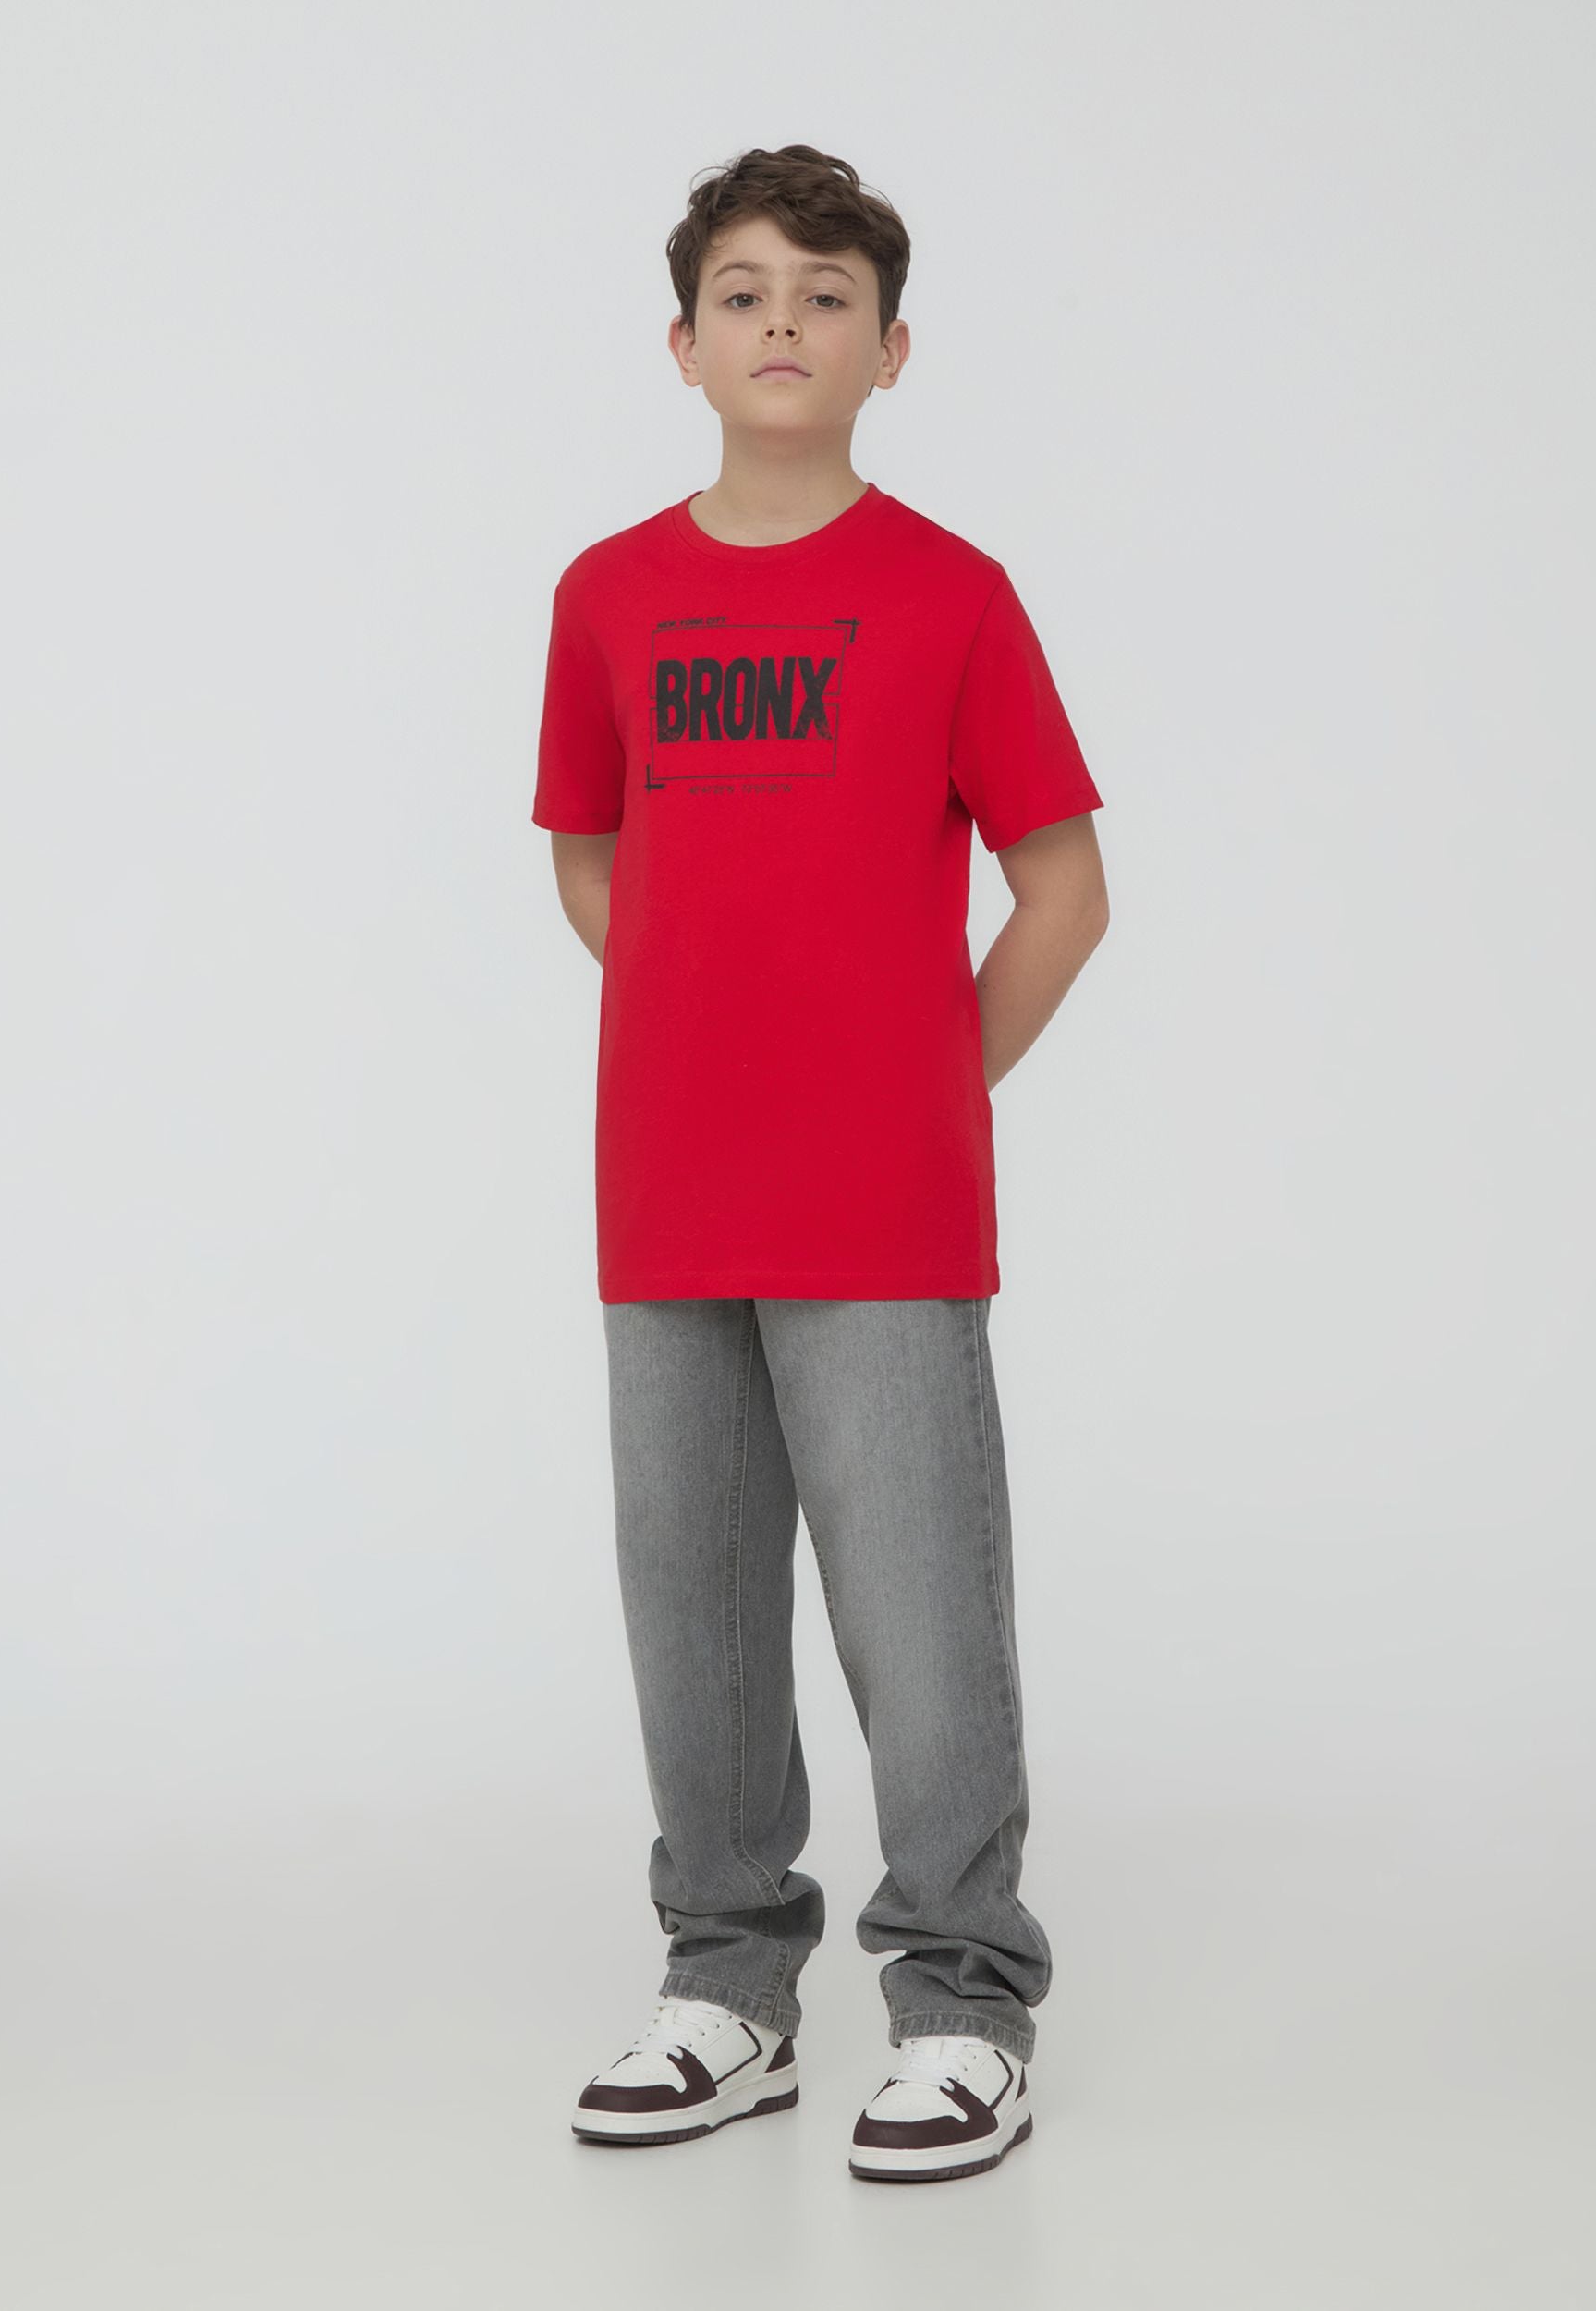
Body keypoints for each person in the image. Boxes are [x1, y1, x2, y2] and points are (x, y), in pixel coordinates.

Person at [533, 143, 1110, 2184]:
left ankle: (959, 2003)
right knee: (689, 1606)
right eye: (745, 293)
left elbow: (1063, 889)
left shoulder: (950, 594)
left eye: (826, 295)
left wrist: (912, 1078)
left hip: (882, 1199)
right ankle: (729, 1985)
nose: (783, 321)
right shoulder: (606, 594)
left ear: (890, 349)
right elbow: (591, 858)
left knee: (918, 1619)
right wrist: (720, 1031)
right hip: (666, 1185)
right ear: (681, 343)